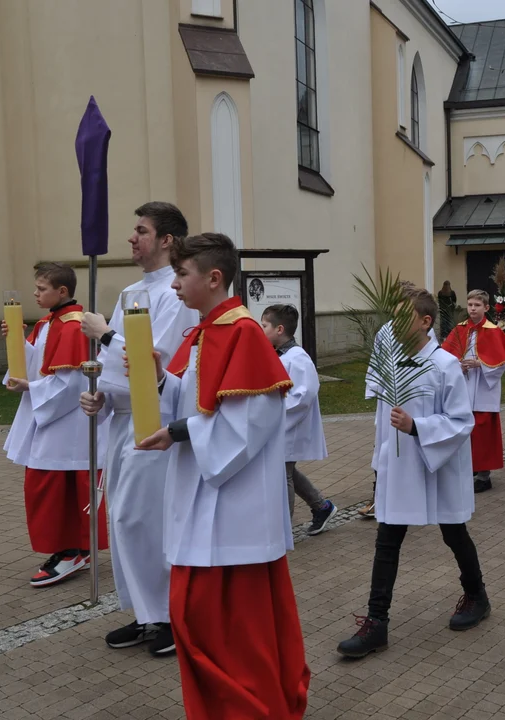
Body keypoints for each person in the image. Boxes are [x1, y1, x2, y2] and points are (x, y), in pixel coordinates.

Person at [136, 233, 309, 719]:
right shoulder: (203, 334)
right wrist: (156, 379)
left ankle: (251, 708)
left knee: (230, 627)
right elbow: (194, 400)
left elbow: (249, 426)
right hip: (202, 500)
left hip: (233, 509)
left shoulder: (244, 334)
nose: (173, 286)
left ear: (214, 278)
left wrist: (178, 432)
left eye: (181, 274)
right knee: (199, 619)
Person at [337, 289, 489, 658]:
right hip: (401, 466)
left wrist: (416, 426)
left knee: (454, 533)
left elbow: (460, 420)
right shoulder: (392, 360)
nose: (394, 324)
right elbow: (381, 415)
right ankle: (377, 623)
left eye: (403, 317)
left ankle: (477, 595)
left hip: (438, 462)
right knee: (387, 539)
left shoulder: (445, 364)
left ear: (425, 322)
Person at [78, 202, 198, 656]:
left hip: (155, 419)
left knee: (144, 518)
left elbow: (156, 359)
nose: (132, 238)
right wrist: (102, 397)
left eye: (141, 231)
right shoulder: (130, 292)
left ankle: (171, 615)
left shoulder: (175, 293)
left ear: (167, 240)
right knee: (120, 521)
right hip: (123, 420)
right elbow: (115, 369)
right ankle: (146, 614)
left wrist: (106, 334)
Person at [2, 262, 108, 587]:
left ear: (62, 291)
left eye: (41, 288)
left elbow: (75, 381)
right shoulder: (49, 322)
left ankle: (71, 550)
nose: (35, 294)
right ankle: (72, 549)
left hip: (69, 423)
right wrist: (19, 342)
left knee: (57, 486)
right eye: (35, 288)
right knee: (49, 485)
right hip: (53, 419)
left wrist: (31, 388)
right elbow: (39, 363)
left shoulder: (75, 325)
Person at [360, 282, 438, 520]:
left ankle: (412, 496)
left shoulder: (424, 331)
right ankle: (380, 497)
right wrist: (375, 388)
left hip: (413, 397)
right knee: (383, 448)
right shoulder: (385, 331)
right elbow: (377, 359)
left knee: (407, 449)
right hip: (388, 397)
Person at [260, 304, 338, 536]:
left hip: (287, 425)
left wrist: (275, 413)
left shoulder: (297, 358)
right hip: (275, 424)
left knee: (283, 474)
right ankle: (321, 507)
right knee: (285, 470)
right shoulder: (278, 354)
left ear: (279, 329)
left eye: (264, 325)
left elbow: (304, 395)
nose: (261, 329)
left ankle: (282, 530)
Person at [442, 290, 505, 493]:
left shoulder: (494, 331)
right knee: (464, 430)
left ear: (486, 307)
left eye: (477, 305)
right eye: (470, 304)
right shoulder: (459, 329)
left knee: (483, 432)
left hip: (484, 387)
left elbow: (503, 361)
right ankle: (468, 469)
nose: (473, 308)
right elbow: (445, 358)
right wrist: (459, 365)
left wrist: (480, 364)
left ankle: (484, 475)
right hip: (464, 386)